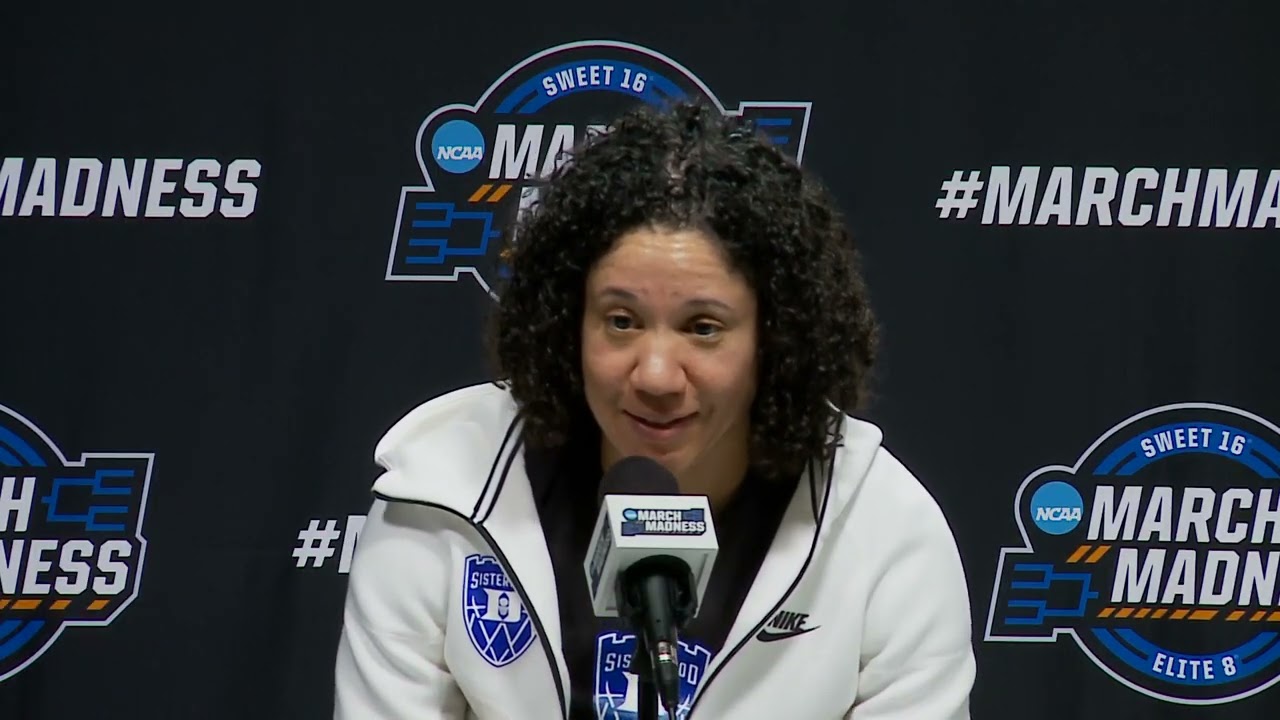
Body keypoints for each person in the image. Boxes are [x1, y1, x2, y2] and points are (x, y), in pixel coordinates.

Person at [334, 100, 976, 719]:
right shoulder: (440, 497)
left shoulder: (886, 533)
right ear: (567, 321)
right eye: (621, 321)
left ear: (775, 338)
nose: (657, 375)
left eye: (703, 328)